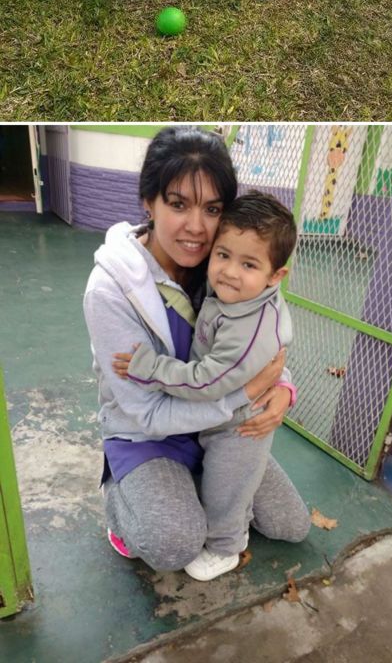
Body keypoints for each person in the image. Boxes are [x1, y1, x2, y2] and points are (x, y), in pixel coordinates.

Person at [83, 127, 310, 577]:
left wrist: (283, 388)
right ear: (148, 202)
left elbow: (260, 339)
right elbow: (149, 414)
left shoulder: (229, 261)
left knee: (290, 525)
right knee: (174, 544)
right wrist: (244, 397)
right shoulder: (110, 290)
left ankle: (201, 483)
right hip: (147, 432)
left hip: (217, 424)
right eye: (178, 204)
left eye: (212, 209)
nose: (196, 227)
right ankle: (122, 498)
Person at [112, 190, 299, 582]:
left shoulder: (248, 319)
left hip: (238, 425)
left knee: (269, 515)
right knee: (217, 498)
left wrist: (151, 368)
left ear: (275, 276)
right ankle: (127, 496)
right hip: (179, 424)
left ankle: (225, 547)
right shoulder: (241, 294)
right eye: (224, 255)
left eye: (248, 264)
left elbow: (208, 379)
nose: (229, 271)